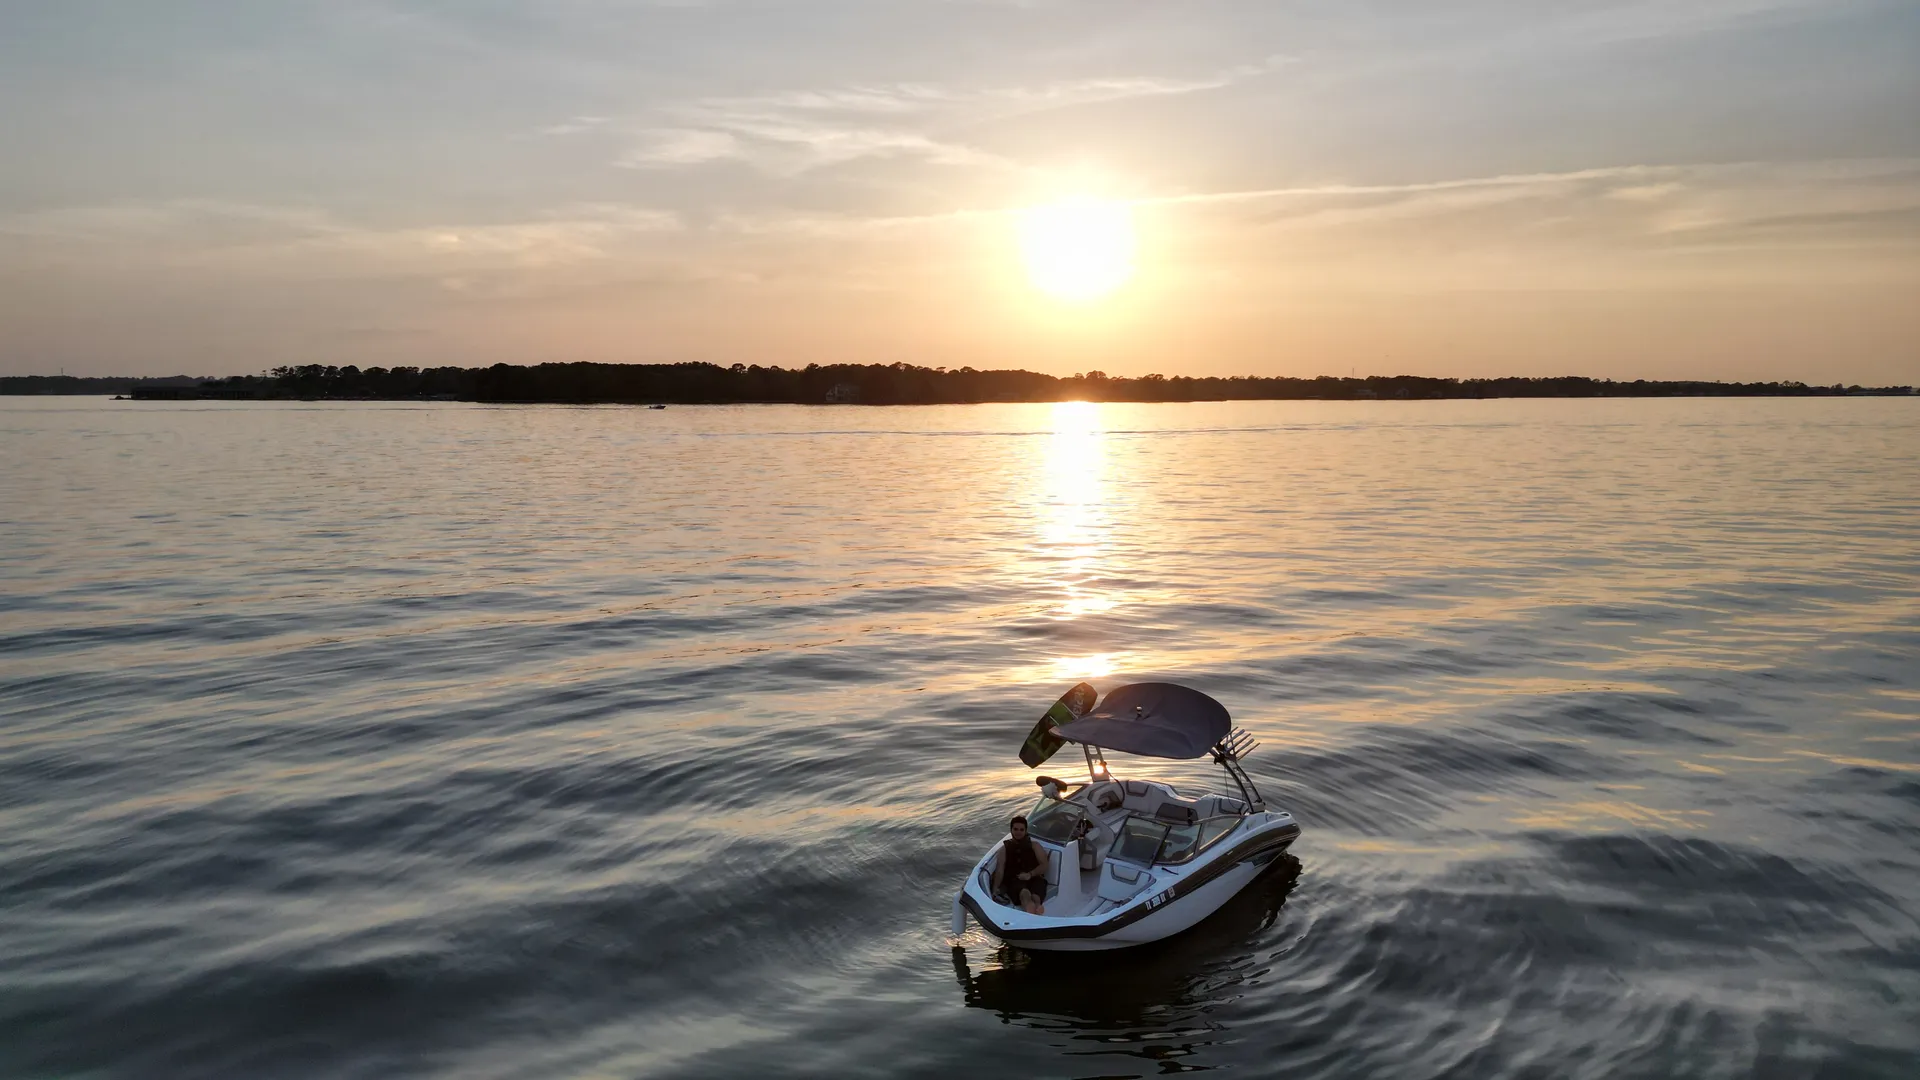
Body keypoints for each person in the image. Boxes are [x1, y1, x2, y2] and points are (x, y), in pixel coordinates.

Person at [992, 815, 1050, 915]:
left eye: (1021, 829)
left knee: (1036, 896)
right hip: (1015, 880)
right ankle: (1030, 909)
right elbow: (1000, 869)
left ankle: (1037, 907)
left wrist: (1030, 874)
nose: (1018, 832)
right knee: (1024, 893)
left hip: (1034, 877)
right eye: (1015, 829)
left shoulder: (1035, 846)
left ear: (1026, 830)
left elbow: (1044, 865)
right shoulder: (1004, 849)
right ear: (1011, 830)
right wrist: (995, 888)